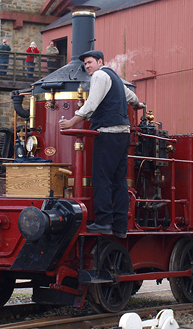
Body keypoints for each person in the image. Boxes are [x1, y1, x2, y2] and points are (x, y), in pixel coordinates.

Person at [59, 50, 145, 238]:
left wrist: (71, 122)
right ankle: (120, 226)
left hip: (107, 134)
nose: (87, 66)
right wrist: (139, 105)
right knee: (119, 181)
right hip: (123, 135)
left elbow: (91, 104)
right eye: (85, 64)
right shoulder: (114, 77)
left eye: (89, 62)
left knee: (101, 178)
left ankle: (104, 222)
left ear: (99, 61)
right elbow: (130, 97)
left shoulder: (99, 75)